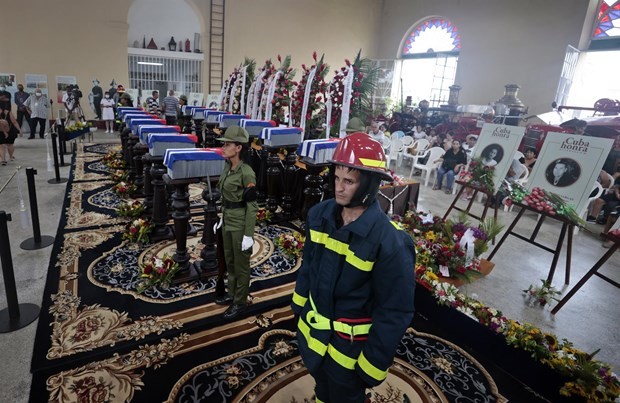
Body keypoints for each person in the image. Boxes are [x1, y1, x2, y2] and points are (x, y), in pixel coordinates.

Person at [291, 132, 415, 403]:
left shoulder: (390, 242)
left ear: (370, 185)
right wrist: (298, 309)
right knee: (322, 389)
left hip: (350, 353)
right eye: (336, 178)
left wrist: (372, 365)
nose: (339, 187)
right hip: (315, 337)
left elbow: (394, 310)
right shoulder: (319, 216)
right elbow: (309, 266)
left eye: (349, 181)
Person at [214, 126, 258, 320]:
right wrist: (222, 217)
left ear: (239, 148)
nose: (223, 147)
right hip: (228, 220)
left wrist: (249, 234)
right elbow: (227, 197)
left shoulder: (246, 172)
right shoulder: (228, 167)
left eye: (227, 144)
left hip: (240, 223)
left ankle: (240, 302)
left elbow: (252, 207)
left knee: (241, 265)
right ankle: (232, 294)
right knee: (229, 261)